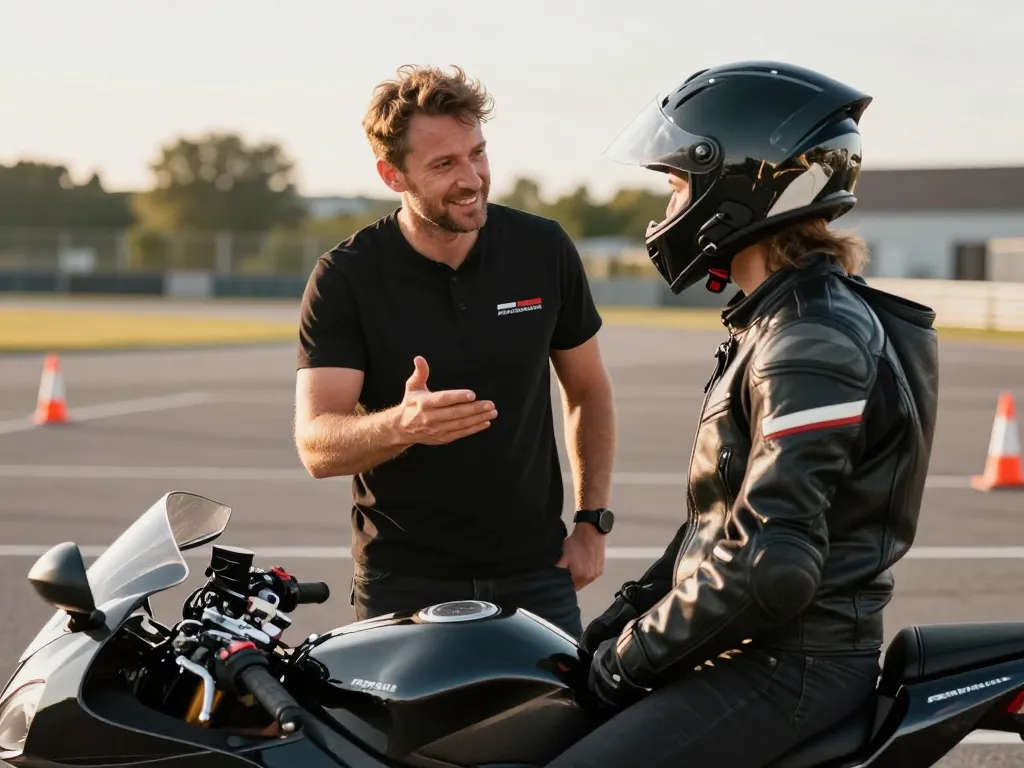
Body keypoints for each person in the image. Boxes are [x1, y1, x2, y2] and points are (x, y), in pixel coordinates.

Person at [545, 61, 940, 767]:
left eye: (674, 186)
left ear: (734, 184)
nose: (665, 213)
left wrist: (621, 666)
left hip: (791, 663)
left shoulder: (809, 340)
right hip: (752, 646)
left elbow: (769, 565)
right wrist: (605, 635)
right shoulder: (777, 321)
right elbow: (718, 526)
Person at [293, 64, 617, 639]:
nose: (472, 178)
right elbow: (317, 444)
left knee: (559, 729)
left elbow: (588, 389)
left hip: (536, 574)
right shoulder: (347, 277)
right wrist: (403, 425)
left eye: (478, 153)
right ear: (393, 175)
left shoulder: (542, 249)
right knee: (408, 735)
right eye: (444, 165)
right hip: (403, 581)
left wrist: (592, 522)